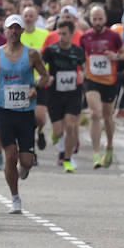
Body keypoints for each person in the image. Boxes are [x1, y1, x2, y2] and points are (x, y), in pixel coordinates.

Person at [0, 15, 50, 213]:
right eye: (10, 28)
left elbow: (44, 75)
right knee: (10, 154)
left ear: (22, 31)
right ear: (5, 30)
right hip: (4, 111)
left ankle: (25, 167)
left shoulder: (32, 54)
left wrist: (36, 87)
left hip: (25, 111)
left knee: (26, 161)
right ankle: (15, 198)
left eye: (17, 28)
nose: (13, 32)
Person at [79, 4, 124, 168]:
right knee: (94, 114)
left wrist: (115, 55)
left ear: (105, 19)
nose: (97, 22)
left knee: (107, 117)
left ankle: (110, 145)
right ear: (90, 20)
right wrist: (82, 70)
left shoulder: (114, 36)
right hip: (92, 80)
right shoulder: (85, 37)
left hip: (110, 81)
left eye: (100, 19)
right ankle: (95, 153)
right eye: (95, 19)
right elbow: (80, 57)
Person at [41, 18, 85, 172]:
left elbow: (85, 67)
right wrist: (46, 76)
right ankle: (55, 136)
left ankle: (67, 159)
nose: (61, 37)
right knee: (59, 131)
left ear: (72, 34)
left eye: (64, 34)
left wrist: (83, 75)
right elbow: (40, 66)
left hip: (73, 93)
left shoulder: (78, 51)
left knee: (71, 125)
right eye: (59, 34)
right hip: (55, 94)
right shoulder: (51, 50)